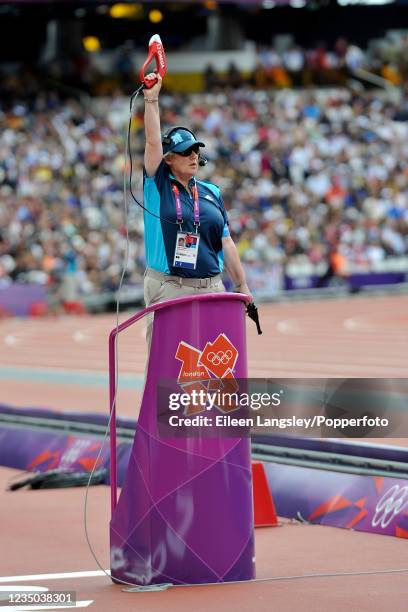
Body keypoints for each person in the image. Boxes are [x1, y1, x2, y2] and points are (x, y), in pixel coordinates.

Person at [142, 72, 252, 344]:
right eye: (185, 152)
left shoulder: (211, 192)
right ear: (168, 159)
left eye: (195, 151)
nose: (193, 156)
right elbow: (153, 142)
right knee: (167, 370)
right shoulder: (158, 186)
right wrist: (152, 99)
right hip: (170, 287)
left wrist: (241, 285)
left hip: (212, 286)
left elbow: (225, 241)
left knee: (213, 368)